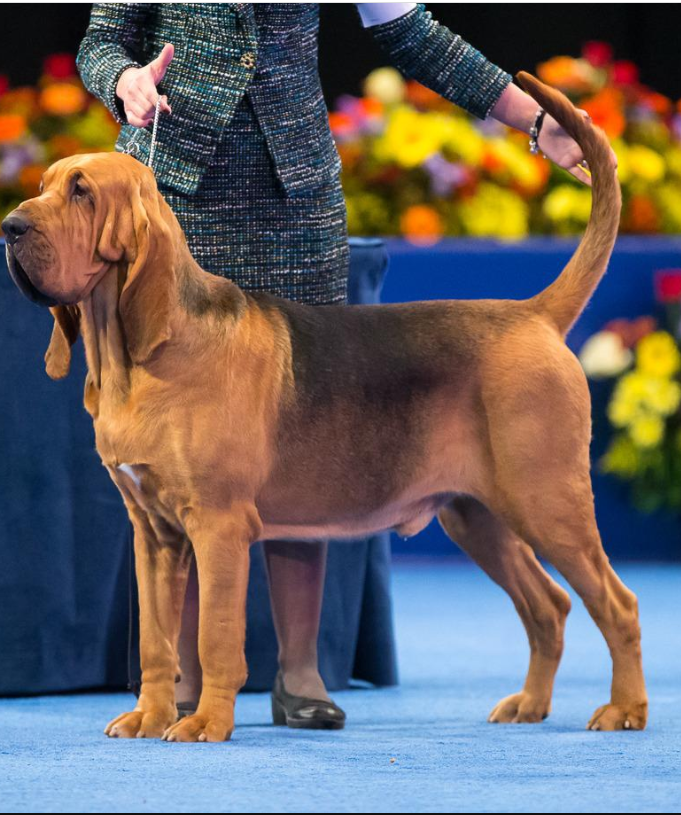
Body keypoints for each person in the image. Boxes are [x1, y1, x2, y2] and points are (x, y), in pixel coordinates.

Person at [77, 2, 595, 730]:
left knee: (299, 434)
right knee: (177, 459)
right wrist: (124, 79)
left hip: (294, 206)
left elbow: (410, 33)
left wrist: (533, 122)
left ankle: (299, 670)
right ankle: (182, 683)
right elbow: (102, 41)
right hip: (173, 207)